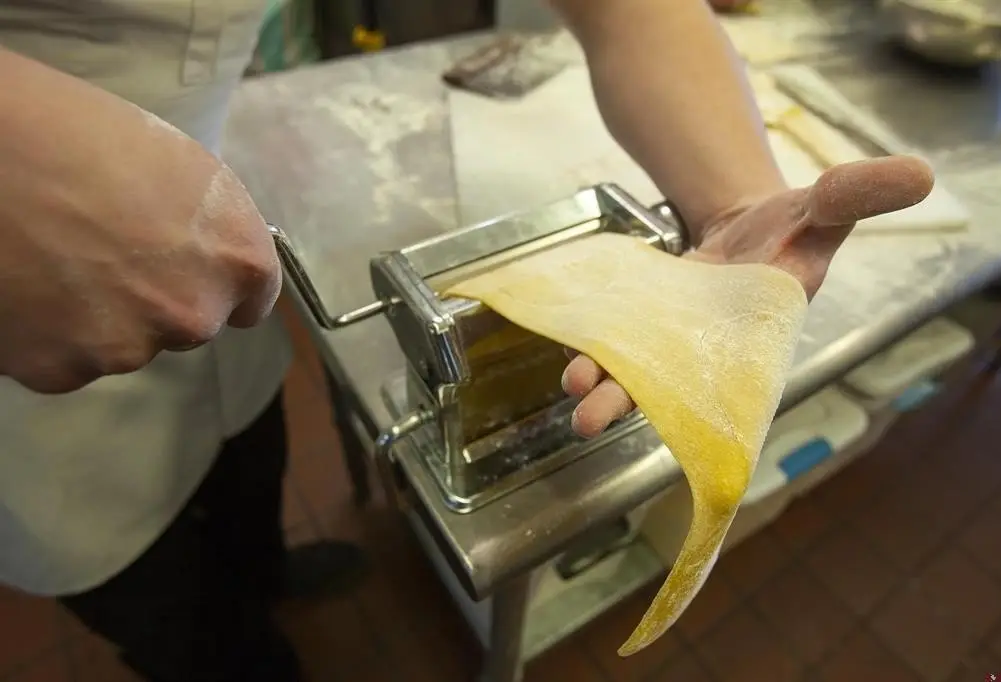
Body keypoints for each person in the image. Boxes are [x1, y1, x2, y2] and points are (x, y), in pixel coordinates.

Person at [0, 1, 933, 681]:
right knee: (184, 622)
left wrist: (733, 204)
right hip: (30, 321)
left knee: (248, 471)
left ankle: (269, 573)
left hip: (204, 219)